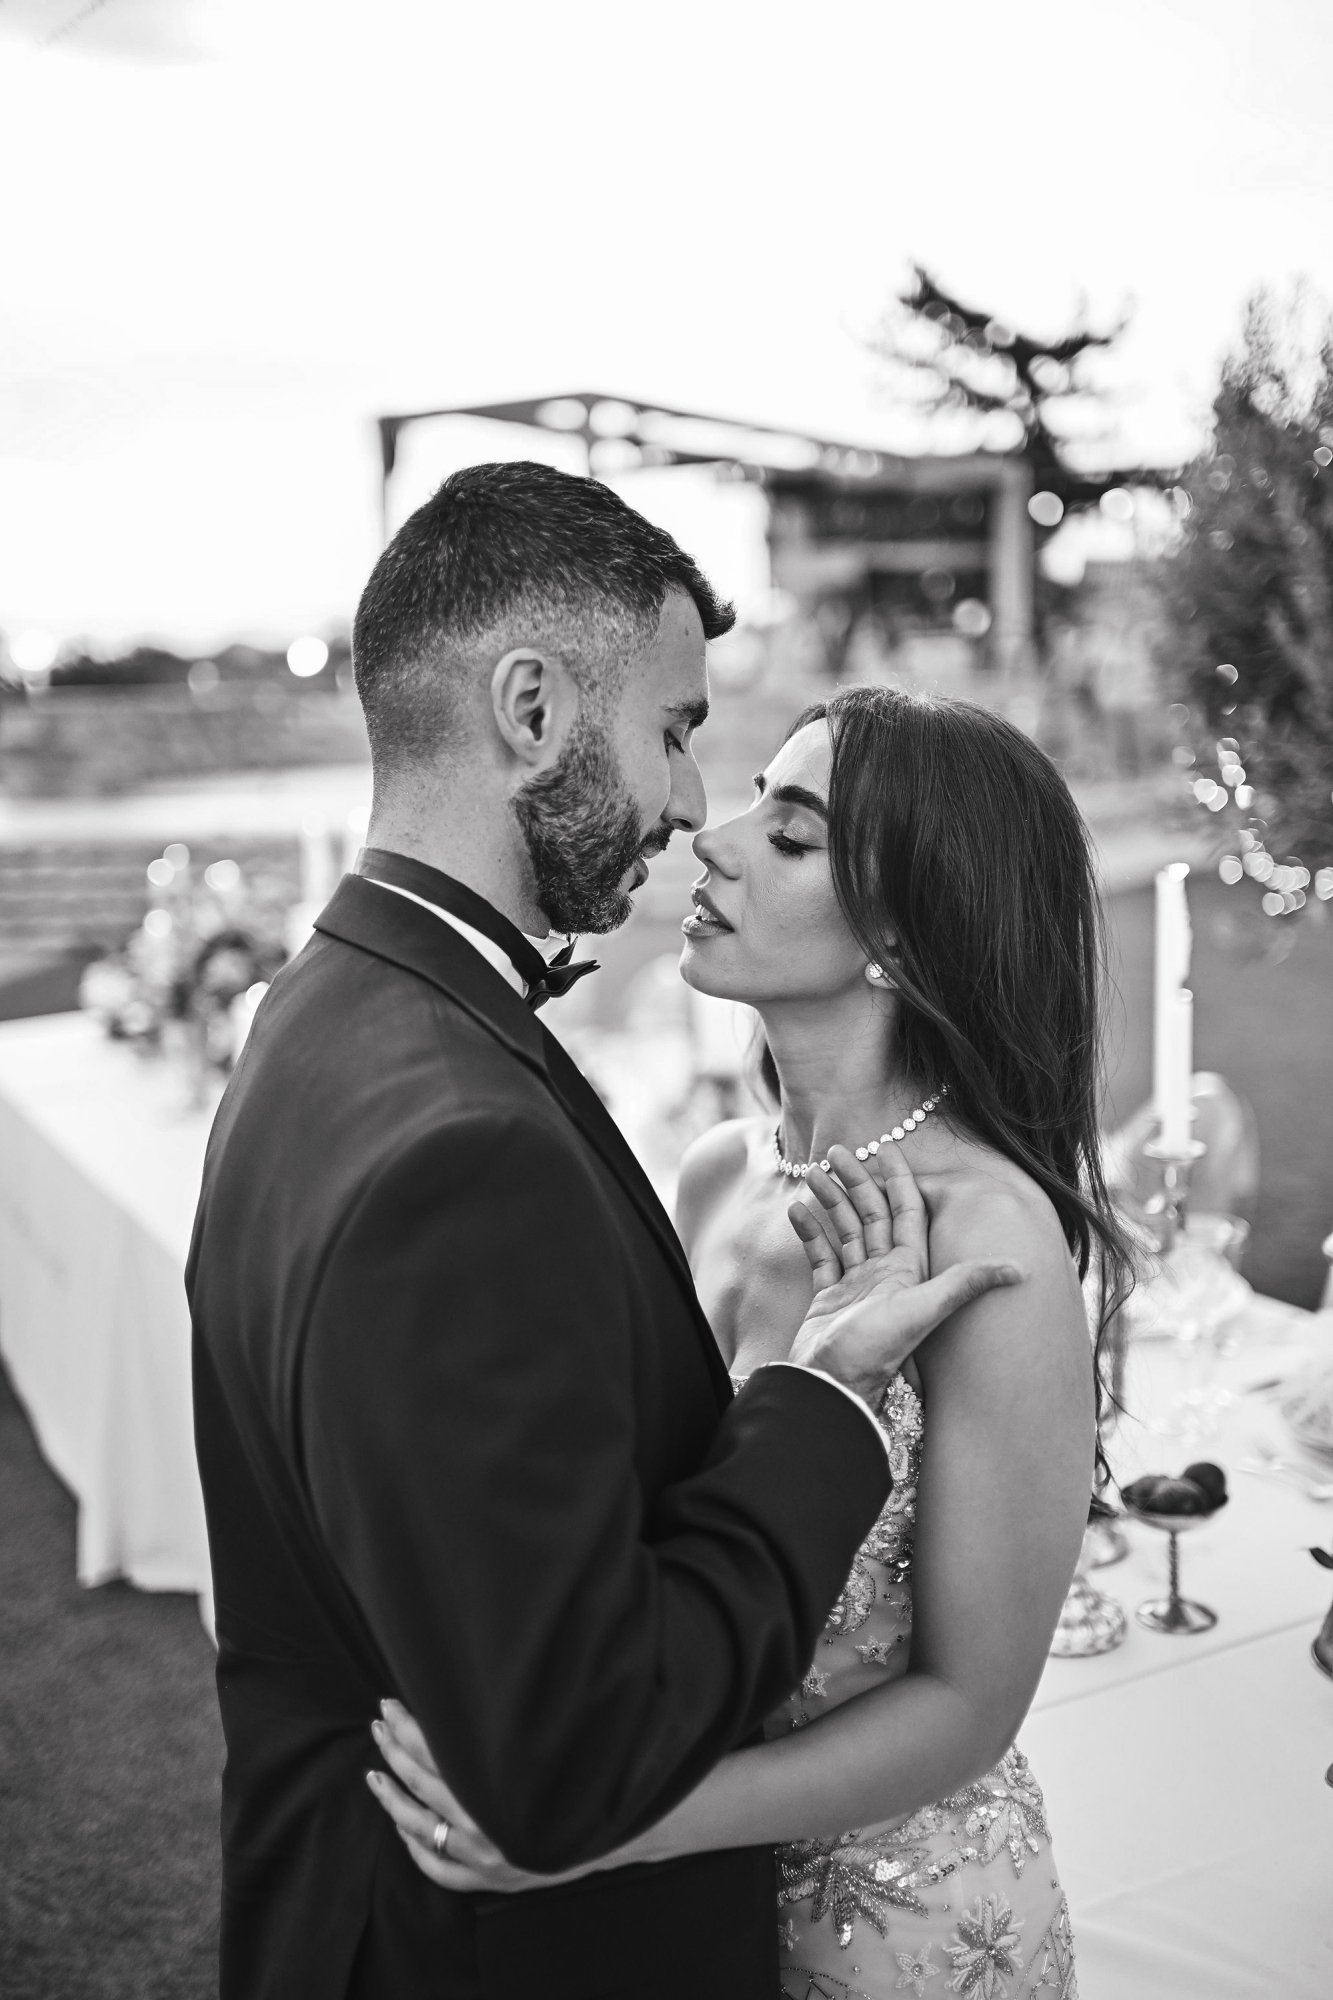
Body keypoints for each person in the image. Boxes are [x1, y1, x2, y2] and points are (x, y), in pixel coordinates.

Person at [187, 466, 1021, 2000]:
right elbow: (572, 1752)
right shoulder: (460, 1147)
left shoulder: (322, 1012)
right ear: (529, 710)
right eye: (678, 731)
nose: (693, 807)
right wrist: (823, 1399)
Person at [370, 684, 1136, 2000]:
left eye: (789, 837)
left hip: (904, 1927)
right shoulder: (715, 1172)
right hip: (689, 1915)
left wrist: (600, 1829)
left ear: (902, 929)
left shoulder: (988, 1246)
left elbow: (967, 1707)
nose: (709, 841)